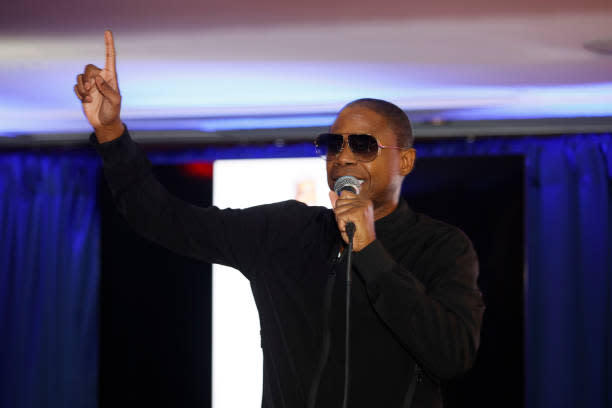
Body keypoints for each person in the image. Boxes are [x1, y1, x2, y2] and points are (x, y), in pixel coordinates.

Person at [74, 30, 484, 408]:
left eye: (362, 145)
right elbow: (163, 219)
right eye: (332, 144)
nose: (342, 156)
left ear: (406, 161)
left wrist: (371, 253)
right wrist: (111, 134)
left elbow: (452, 356)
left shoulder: (441, 246)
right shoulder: (285, 232)